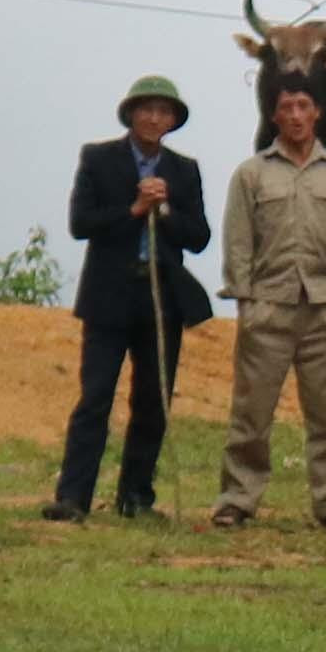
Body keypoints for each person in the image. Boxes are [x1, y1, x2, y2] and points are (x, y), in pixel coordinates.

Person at [45, 76, 214, 521]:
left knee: (153, 400)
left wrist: (166, 212)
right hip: (108, 295)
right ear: (131, 114)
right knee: (95, 396)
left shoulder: (184, 169)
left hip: (160, 298)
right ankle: (73, 497)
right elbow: (81, 223)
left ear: (174, 120)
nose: (154, 118)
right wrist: (134, 211)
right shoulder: (99, 159)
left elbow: (199, 238)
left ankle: (136, 496)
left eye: (164, 111)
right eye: (146, 109)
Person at [214, 72, 326, 532]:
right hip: (268, 305)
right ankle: (238, 499)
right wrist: (245, 298)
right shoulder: (252, 172)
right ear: (273, 114)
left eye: (304, 105)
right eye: (286, 108)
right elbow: (238, 239)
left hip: (325, 306)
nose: (295, 116)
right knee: (251, 412)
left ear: (317, 111)